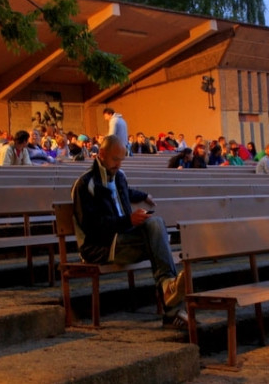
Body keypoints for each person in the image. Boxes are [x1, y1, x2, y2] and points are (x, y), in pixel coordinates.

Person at [72, 135, 186, 328]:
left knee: (155, 222)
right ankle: (170, 299)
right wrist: (128, 220)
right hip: (100, 246)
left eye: (121, 160)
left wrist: (144, 196)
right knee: (158, 241)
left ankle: (170, 294)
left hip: (123, 239)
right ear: (101, 154)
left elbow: (126, 191)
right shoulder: (86, 184)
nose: (119, 164)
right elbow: (91, 227)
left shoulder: (119, 176)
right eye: (115, 159)